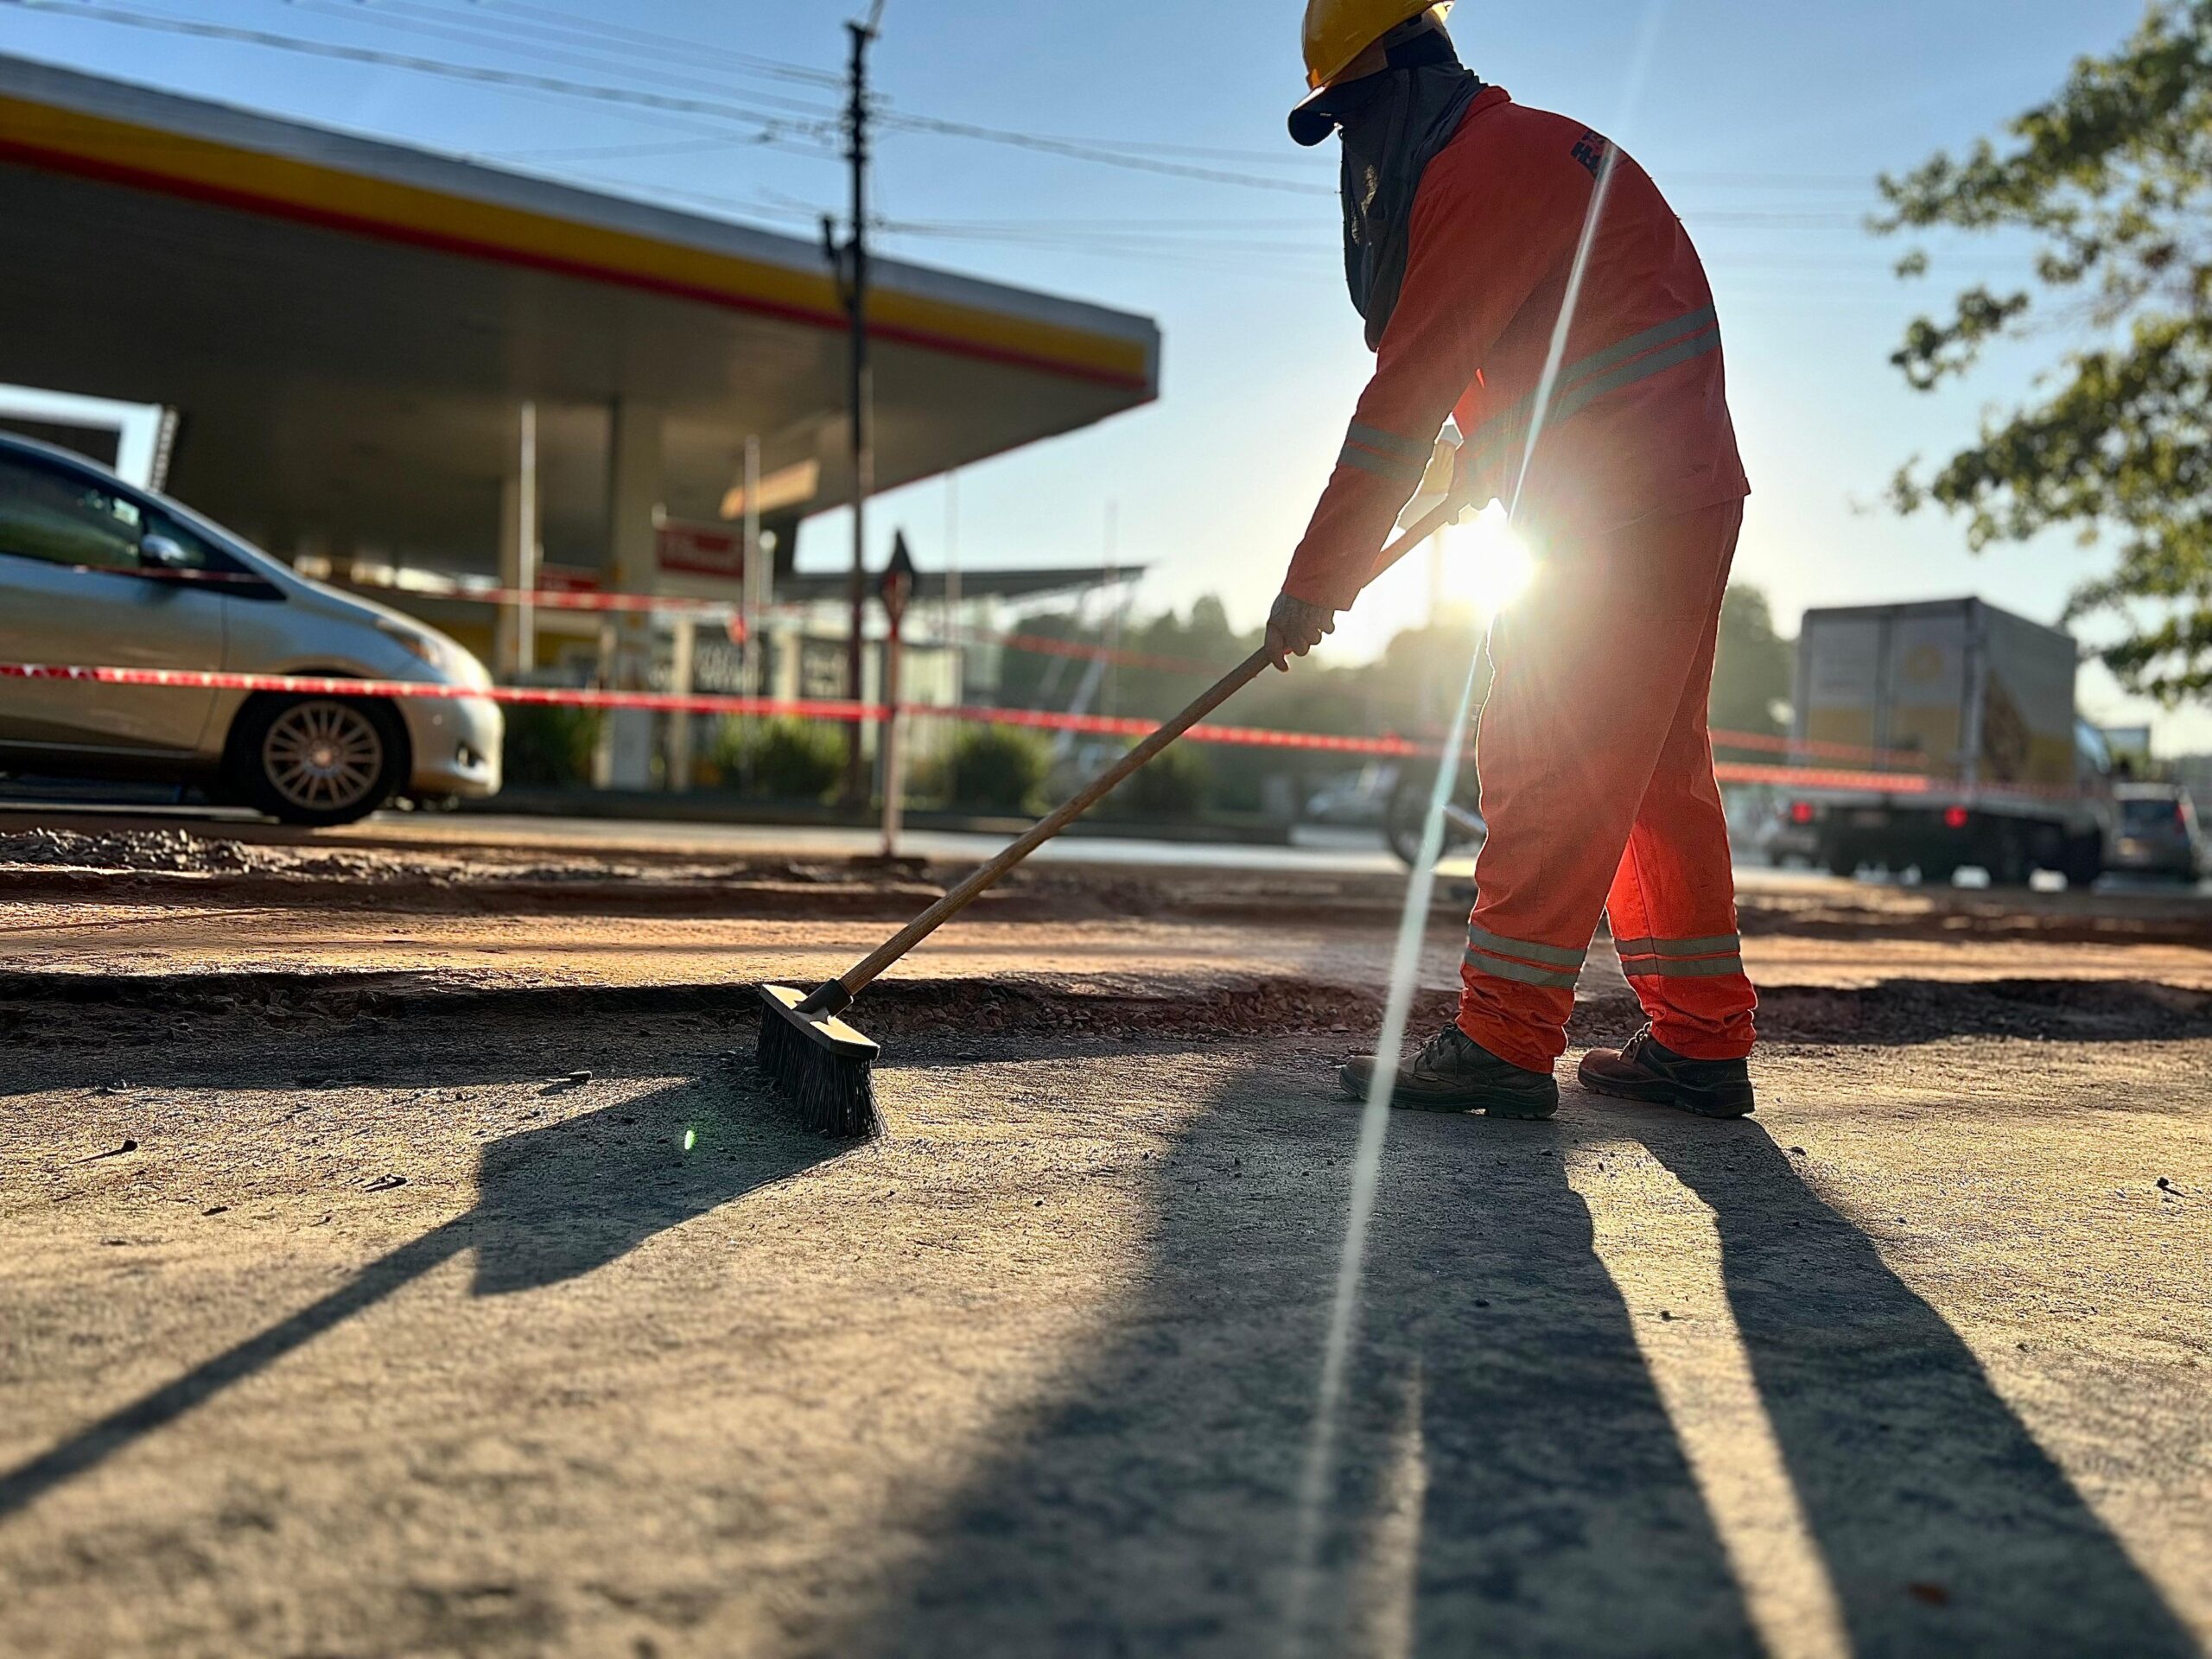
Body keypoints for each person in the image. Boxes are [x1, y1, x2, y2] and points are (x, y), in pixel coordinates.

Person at [1264, 1, 1758, 1120]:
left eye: (1347, 120)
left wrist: (1314, 584)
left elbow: (1399, 406)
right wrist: (1492, 451)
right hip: (1667, 482)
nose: (1351, 152)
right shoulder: (1525, 149)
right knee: (1653, 780)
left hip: (1622, 496)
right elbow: (1580, 343)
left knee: (1541, 741)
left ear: (1391, 82)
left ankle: (1503, 1037)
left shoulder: (1479, 174)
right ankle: (1702, 1038)